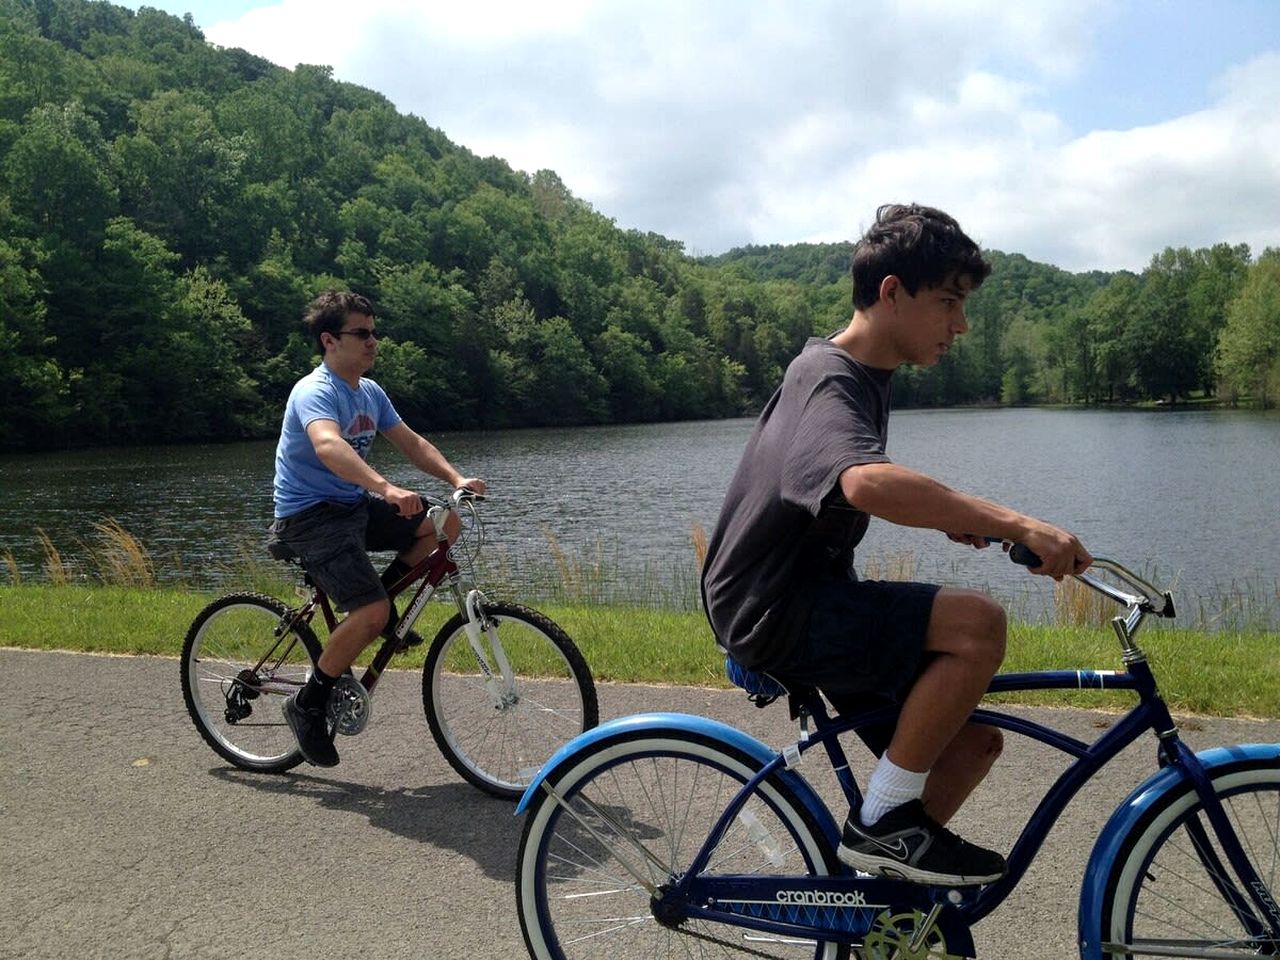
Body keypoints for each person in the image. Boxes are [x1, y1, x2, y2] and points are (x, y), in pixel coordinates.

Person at [700, 203, 1091, 886]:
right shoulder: (829, 374)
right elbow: (865, 483)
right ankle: (880, 828)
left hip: (804, 598)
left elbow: (833, 488)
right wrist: (1013, 522)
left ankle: (880, 908)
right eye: (948, 302)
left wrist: (949, 516)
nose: (961, 325)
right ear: (892, 293)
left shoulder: (860, 377)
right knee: (977, 625)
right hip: (772, 610)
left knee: (969, 745)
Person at [270, 290, 485, 768]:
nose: (373, 341)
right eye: (361, 333)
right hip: (310, 516)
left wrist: (456, 479)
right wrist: (385, 488)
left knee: (445, 522)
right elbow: (328, 446)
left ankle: (382, 613)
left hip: (351, 505)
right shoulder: (315, 391)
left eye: (374, 332)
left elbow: (411, 442)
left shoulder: (370, 392)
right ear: (330, 340)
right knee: (368, 613)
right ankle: (306, 704)